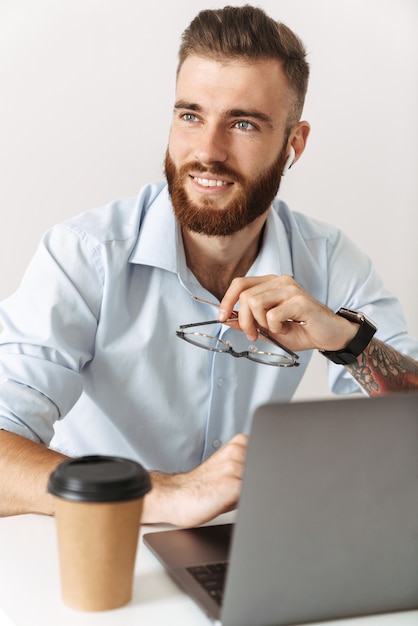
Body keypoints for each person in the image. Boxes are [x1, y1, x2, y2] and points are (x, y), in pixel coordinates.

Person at [0, 5, 417, 524]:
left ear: (294, 143)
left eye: (242, 123)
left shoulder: (328, 258)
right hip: (104, 543)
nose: (207, 151)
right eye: (190, 115)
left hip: (247, 551)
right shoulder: (84, 255)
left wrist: (346, 341)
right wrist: (168, 493)